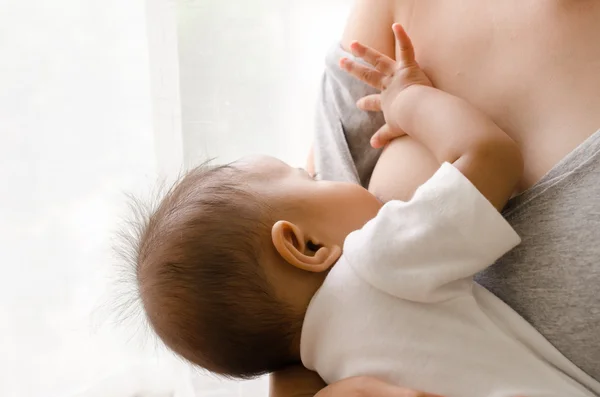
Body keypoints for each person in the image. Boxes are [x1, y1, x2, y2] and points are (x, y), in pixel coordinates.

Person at [274, 0, 600, 396]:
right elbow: (283, 313)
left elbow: (493, 157)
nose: (308, 175)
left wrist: (409, 101)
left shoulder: (370, 259)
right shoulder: (394, 11)